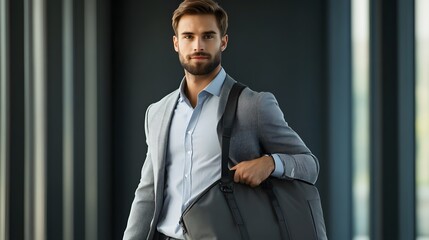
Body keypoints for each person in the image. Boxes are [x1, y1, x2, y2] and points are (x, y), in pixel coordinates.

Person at [123, 0, 319, 239]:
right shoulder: (157, 112)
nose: (197, 45)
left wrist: (270, 163)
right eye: (188, 36)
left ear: (223, 41)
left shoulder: (253, 105)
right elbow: (147, 193)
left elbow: (310, 166)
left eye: (208, 36)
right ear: (176, 43)